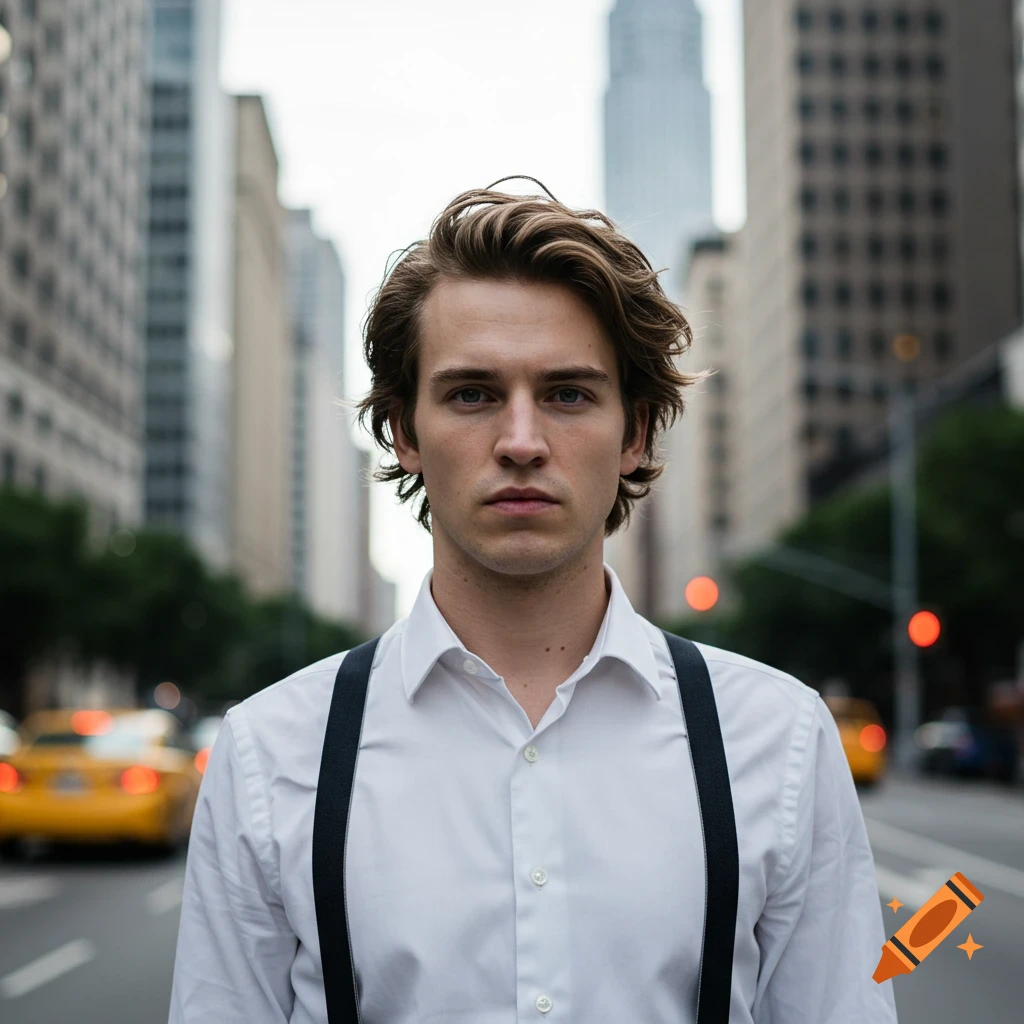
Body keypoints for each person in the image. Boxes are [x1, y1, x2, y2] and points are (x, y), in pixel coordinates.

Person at [168, 180, 898, 1023]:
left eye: (567, 394)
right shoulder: (269, 753)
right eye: (472, 394)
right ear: (404, 432)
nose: (521, 442)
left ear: (634, 434)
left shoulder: (781, 738)